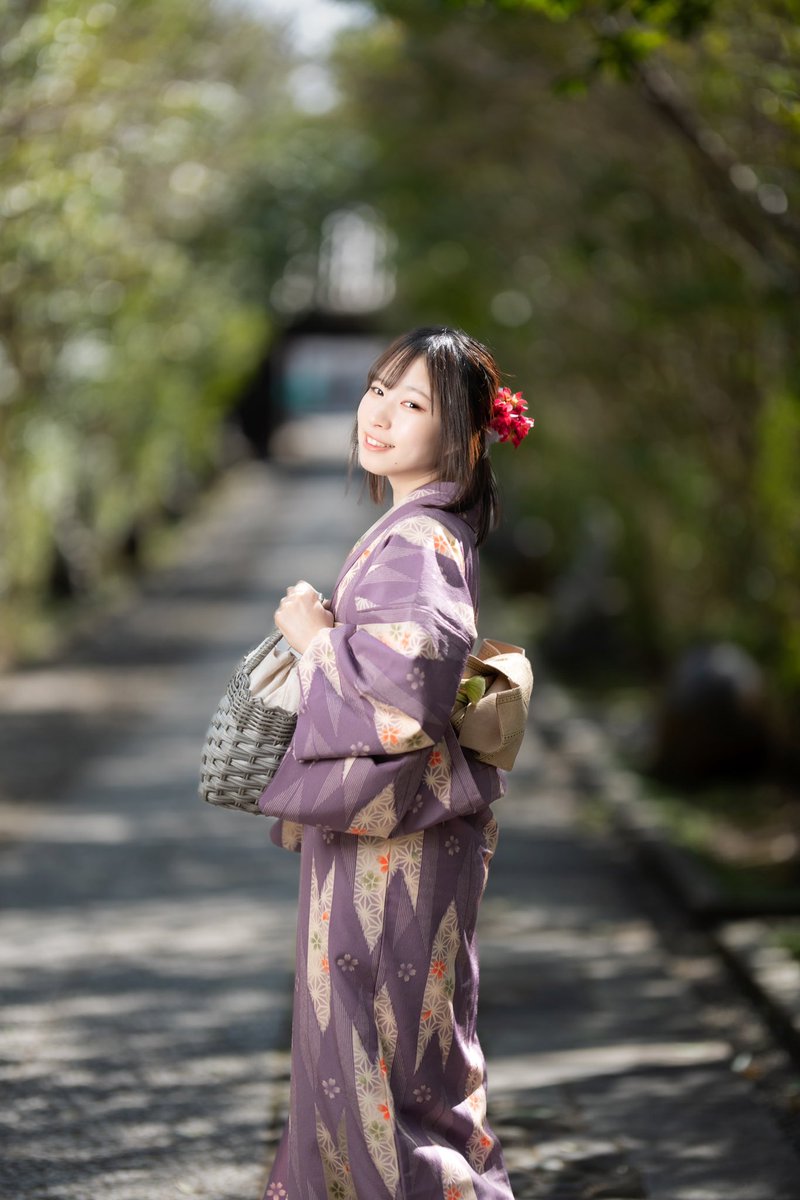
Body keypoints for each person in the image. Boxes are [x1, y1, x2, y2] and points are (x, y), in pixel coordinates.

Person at [256, 326, 533, 1200]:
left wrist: (314, 642)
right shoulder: (417, 530)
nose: (379, 413)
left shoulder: (418, 543)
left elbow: (403, 705)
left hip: (394, 855)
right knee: (399, 1068)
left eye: (412, 403)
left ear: (460, 437)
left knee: (375, 1074)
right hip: (397, 840)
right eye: (379, 388)